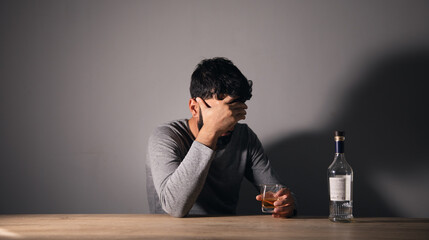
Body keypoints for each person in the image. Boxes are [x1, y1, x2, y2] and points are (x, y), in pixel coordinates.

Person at [146, 57, 296, 218]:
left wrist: (286, 204)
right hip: (169, 233)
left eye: (233, 114)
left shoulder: (244, 137)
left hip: (225, 231)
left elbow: (275, 194)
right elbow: (174, 207)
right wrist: (211, 131)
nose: (229, 124)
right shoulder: (165, 137)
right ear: (194, 108)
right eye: (220, 115)